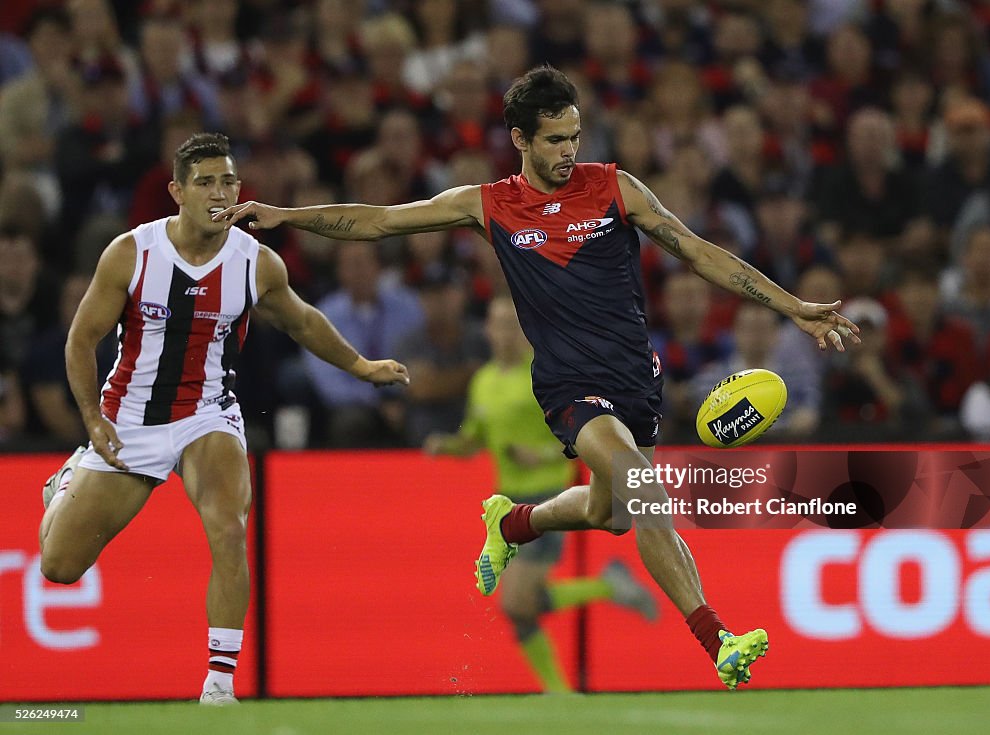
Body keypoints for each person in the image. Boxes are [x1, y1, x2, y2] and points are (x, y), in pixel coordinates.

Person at [214, 65, 860, 689]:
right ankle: (719, 639)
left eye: (574, 136)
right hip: (569, 385)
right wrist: (288, 216)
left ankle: (514, 522)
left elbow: (697, 251)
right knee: (642, 486)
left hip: (636, 379)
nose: (568, 150)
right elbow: (378, 221)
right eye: (554, 139)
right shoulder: (489, 204)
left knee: (611, 513)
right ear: (520, 138)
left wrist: (793, 307)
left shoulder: (615, 187)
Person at [37, 133, 409, 705]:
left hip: (207, 414)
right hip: (130, 420)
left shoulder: (254, 261)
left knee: (229, 527)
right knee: (59, 567)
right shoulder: (131, 253)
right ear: (177, 192)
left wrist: (361, 366)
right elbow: (82, 340)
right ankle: (62, 486)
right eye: (206, 182)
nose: (220, 192)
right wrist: (92, 419)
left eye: (228, 181)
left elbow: (302, 322)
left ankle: (219, 683)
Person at [424, 296, 657, 693]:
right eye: (497, 324)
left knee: (516, 604)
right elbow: (475, 439)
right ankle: (563, 686)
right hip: (505, 499)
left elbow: (582, 433)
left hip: (547, 494)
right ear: (487, 330)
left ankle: (562, 688)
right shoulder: (483, 381)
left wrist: (543, 453)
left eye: (511, 324)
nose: (504, 333)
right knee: (520, 608)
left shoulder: (545, 375)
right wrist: (448, 445)